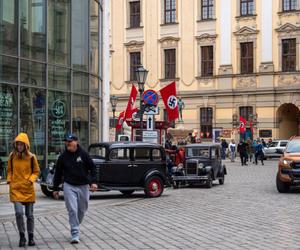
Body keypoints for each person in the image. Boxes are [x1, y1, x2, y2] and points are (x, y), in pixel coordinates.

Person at [53, 134, 98, 244]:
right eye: (66, 141)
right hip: (69, 186)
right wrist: (55, 189)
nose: (68, 143)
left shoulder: (84, 154)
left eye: (70, 141)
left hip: (83, 186)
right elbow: (58, 173)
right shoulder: (63, 157)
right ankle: (75, 233)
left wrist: (94, 182)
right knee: (72, 210)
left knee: (82, 210)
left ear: (76, 142)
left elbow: (93, 168)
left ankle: (76, 225)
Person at [6, 133, 40, 247]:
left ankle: (31, 237)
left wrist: (30, 180)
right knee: (19, 213)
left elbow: (36, 171)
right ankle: (22, 236)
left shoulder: (31, 157)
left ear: (26, 145)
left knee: (29, 215)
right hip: (16, 190)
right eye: (17, 144)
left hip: (28, 189)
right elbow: (9, 170)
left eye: (21, 144)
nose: (19, 146)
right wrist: (10, 180)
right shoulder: (12, 156)